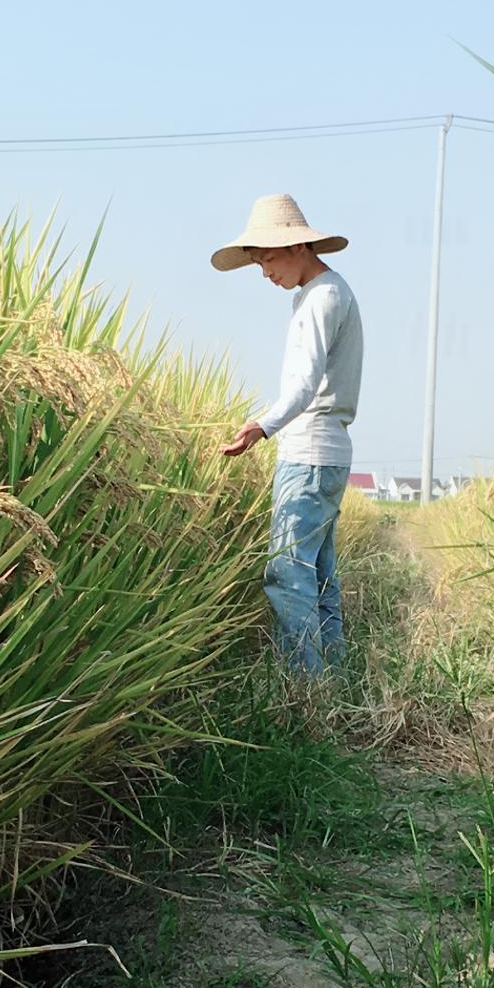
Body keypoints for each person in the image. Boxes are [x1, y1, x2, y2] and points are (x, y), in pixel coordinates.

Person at [216, 193, 363, 673]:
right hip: (325, 452)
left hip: (310, 452)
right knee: (317, 573)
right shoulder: (324, 293)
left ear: (300, 247)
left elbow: (304, 384)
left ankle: (307, 686)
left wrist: (261, 425)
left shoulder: (323, 298)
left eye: (269, 259)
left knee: (286, 572)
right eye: (257, 263)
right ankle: (334, 680)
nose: (264, 273)